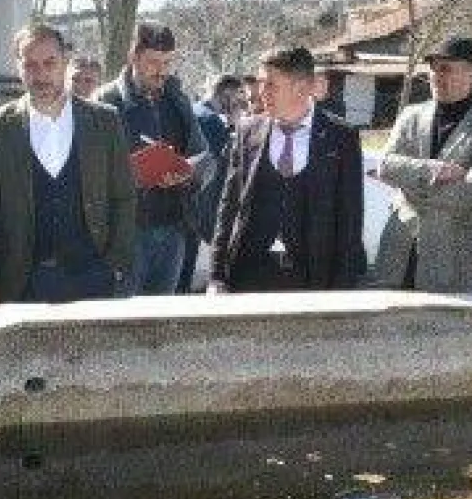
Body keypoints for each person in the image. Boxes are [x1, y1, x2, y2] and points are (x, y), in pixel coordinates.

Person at [0, 22, 136, 303]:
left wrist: (115, 266)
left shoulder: (105, 120)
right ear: (18, 68)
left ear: (65, 62)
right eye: (30, 65)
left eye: (50, 63)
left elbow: (123, 196)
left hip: (94, 278)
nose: (41, 74)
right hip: (21, 283)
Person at [208, 45, 364, 293]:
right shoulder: (247, 132)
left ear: (301, 88)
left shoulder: (341, 137)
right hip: (248, 276)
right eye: (260, 83)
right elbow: (228, 208)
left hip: (313, 279)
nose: (261, 92)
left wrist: (343, 288)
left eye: (271, 84)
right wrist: (216, 277)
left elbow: (350, 220)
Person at [93, 23, 213, 295]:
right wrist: (129, 175)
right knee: (122, 321)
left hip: (173, 230)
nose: (161, 70)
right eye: (153, 62)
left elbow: (206, 157)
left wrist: (192, 172)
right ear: (133, 57)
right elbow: (89, 170)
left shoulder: (178, 101)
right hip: (126, 233)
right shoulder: (105, 101)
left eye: (167, 62)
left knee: (161, 323)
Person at [372, 35, 472, 292]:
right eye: (433, 68)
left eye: (446, 68)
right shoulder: (411, 115)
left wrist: (410, 183)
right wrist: (432, 171)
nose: (437, 76)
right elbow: (386, 166)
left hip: (451, 254)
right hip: (400, 246)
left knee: (443, 330)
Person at [180, 73, 247, 292]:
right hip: (198, 213)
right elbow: (228, 164)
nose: (241, 103)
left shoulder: (193, 111)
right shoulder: (211, 121)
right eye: (239, 97)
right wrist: (237, 125)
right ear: (226, 94)